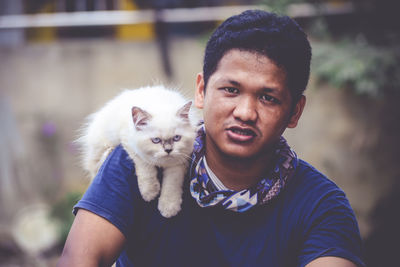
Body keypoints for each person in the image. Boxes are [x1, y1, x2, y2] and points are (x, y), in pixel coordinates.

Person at [58, 10, 365, 267]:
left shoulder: (321, 206)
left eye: (268, 97)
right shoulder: (137, 162)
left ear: (295, 112)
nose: (245, 112)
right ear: (201, 91)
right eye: (231, 90)